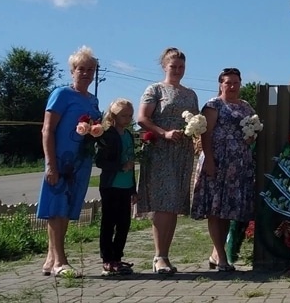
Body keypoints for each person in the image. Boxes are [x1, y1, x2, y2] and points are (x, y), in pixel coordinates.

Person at [38, 45, 101, 278]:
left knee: (66, 209)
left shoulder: (92, 100)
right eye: (81, 69)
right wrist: (50, 164)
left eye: (90, 69)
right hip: (60, 160)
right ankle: (60, 262)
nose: (85, 73)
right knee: (56, 208)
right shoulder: (61, 94)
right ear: (72, 70)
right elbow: (47, 130)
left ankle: (50, 259)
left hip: (80, 162)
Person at [136, 47, 199, 275]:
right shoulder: (155, 89)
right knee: (163, 201)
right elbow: (142, 118)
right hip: (161, 150)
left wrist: (195, 132)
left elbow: (195, 119)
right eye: (173, 66)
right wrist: (164, 133)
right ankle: (159, 256)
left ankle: (166, 254)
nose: (178, 70)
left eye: (181, 67)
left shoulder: (190, 94)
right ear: (165, 66)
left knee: (174, 203)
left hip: (182, 151)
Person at [191, 68, 257, 272]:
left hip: (237, 166)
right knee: (215, 209)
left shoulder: (246, 106)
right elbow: (206, 134)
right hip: (217, 161)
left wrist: (251, 137)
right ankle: (221, 257)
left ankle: (217, 254)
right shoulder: (213, 105)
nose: (232, 86)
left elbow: (253, 129)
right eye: (228, 82)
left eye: (236, 82)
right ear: (220, 84)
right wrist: (209, 160)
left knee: (227, 210)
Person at [95, 98, 137, 277]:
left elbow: (132, 162)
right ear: (113, 115)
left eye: (129, 115)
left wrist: (134, 189)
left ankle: (117, 258)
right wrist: (120, 167)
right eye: (122, 116)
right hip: (111, 185)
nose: (126, 119)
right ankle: (107, 259)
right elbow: (100, 161)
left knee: (124, 223)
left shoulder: (128, 135)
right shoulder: (108, 134)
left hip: (125, 185)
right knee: (109, 222)